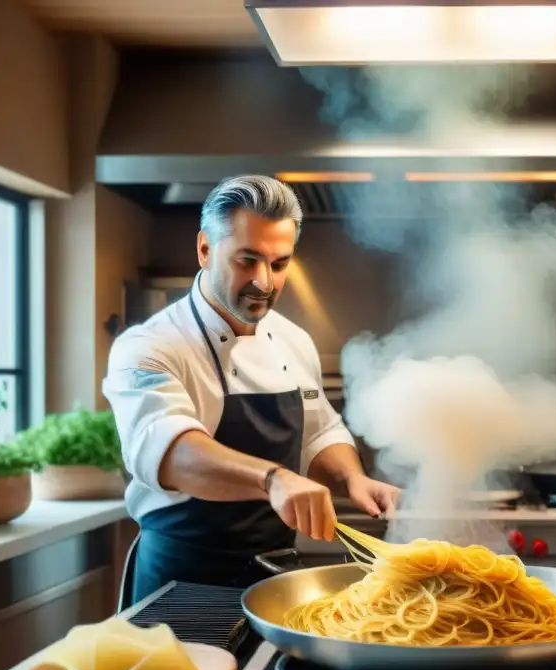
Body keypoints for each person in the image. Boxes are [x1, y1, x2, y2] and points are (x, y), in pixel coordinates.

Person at [103, 175, 400, 604]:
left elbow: (319, 433)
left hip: (274, 579)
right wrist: (273, 479)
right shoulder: (149, 345)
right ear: (205, 248)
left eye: (279, 264)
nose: (264, 281)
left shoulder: (294, 339)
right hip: (182, 582)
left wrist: (351, 478)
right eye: (248, 260)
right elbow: (173, 454)